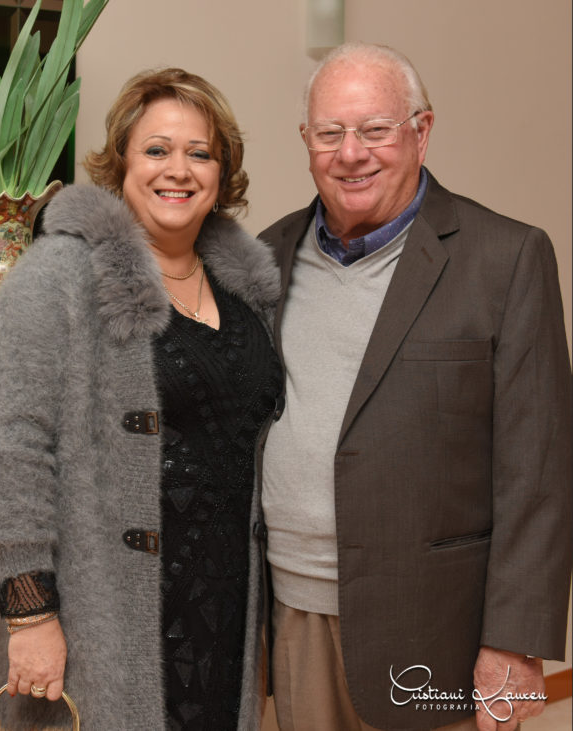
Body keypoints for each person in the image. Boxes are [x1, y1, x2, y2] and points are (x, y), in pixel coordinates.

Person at [259, 41, 572, 731]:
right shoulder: (266, 257)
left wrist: (515, 643)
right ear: (306, 141)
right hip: (292, 616)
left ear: (421, 132)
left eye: (375, 129)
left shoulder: (505, 258)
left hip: (435, 631)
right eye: (330, 133)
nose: (351, 153)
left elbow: (539, 472)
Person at [0, 68, 283, 729]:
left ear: (222, 172)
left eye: (201, 153)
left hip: (225, 610)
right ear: (121, 163)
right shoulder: (58, 274)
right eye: (156, 149)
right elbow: (9, 450)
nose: (179, 170)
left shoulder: (245, 290)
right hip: (109, 614)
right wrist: (30, 615)